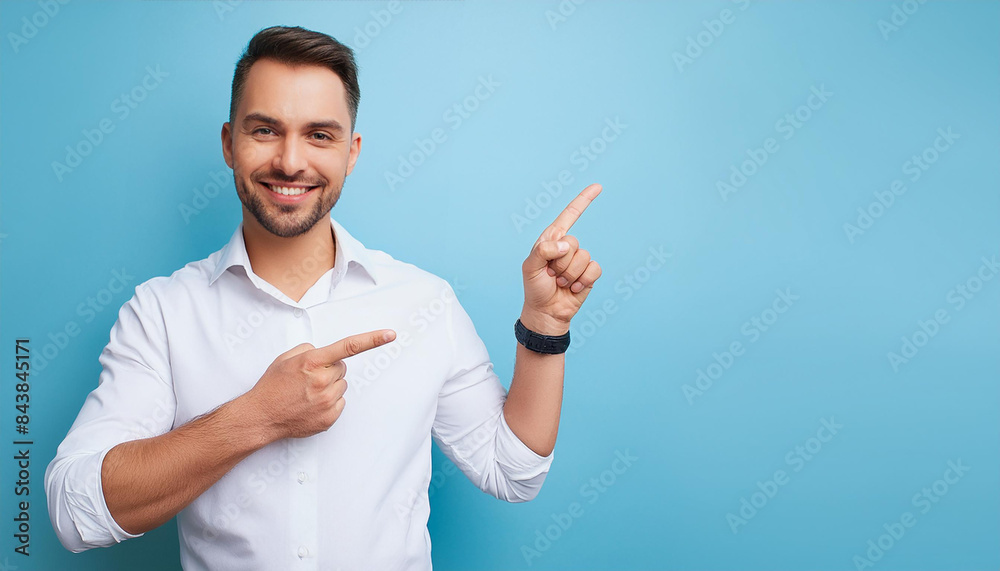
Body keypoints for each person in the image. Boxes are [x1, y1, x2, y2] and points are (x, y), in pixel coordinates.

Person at [44, 25, 602, 570]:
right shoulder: (162, 312)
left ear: (351, 151)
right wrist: (257, 416)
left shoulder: (423, 301)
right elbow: (75, 515)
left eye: (319, 135)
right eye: (264, 130)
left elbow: (512, 472)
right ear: (228, 143)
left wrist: (544, 328)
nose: (291, 161)